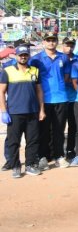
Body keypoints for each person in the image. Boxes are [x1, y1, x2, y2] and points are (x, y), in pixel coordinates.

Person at [1, 45, 45, 177]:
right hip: (14, 113)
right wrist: (3, 111)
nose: (23, 57)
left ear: (29, 56)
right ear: (16, 56)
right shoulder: (7, 71)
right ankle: (15, 166)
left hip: (32, 112)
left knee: (32, 140)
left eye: (25, 55)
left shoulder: (35, 71)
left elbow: (39, 91)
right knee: (14, 141)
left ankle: (30, 165)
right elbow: (1, 92)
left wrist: (41, 110)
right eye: (21, 55)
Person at [30, 33, 70, 169]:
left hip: (61, 98)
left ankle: (59, 156)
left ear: (57, 42)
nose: (51, 43)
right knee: (43, 130)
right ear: (44, 42)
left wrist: (58, 86)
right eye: (48, 40)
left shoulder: (63, 57)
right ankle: (43, 157)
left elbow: (66, 75)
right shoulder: (36, 59)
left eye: (53, 40)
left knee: (59, 129)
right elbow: (33, 80)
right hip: (44, 100)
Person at [61, 38, 78, 160]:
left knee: (73, 126)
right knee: (59, 126)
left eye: (71, 46)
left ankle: (70, 149)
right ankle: (57, 151)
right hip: (61, 98)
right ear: (62, 46)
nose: (69, 48)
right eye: (67, 45)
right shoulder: (59, 58)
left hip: (74, 98)